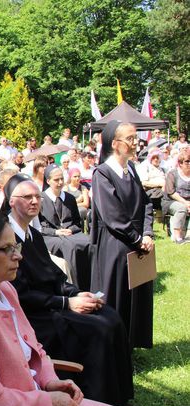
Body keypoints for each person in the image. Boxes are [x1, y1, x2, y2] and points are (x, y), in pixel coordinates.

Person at [0, 210, 149, 406]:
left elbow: (35, 349)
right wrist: (47, 402)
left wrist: (50, 381)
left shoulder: (4, 289)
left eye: (16, 246)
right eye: (7, 249)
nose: (18, 256)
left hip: (32, 404)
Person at [4, 174, 136, 406]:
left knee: (111, 316)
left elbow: (53, 274)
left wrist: (76, 293)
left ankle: (122, 396)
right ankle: (103, 402)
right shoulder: (7, 238)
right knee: (98, 329)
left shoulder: (32, 233)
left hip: (52, 301)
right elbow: (20, 294)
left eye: (37, 196)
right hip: (35, 313)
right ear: (11, 201)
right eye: (27, 197)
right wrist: (66, 303)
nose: (35, 201)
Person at [91, 120, 155, 349]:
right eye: (130, 138)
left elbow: (146, 204)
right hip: (116, 247)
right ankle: (115, 348)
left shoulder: (132, 170)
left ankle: (131, 343)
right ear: (115, 143)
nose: (135, 142)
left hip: (138, 243)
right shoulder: (103, 174)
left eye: (135, 137)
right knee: (117, 298)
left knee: (137, 296)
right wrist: (137, 239)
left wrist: (147, 233)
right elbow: (112, 215)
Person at [39, 165, 93, 291]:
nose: (60, 182)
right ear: (48, 181)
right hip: (50, 236)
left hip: (71, 232)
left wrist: (70, 230)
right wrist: (56, 231)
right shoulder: (41, 199)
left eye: (62, 179)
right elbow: (39, 226)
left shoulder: (69, 198)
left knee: (90, 242)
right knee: (70, 247)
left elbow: (76, 222)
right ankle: (74, 288)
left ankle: (91, 284)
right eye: (56, 180)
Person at [162, 149, 190, 243]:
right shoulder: (172, 173)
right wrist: (186, 203)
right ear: (180, 163)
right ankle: (178, 238)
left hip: (188, 202)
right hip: (171, 201)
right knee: (182, 208)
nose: (189, 163)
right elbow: (171, 192)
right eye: (187, 161)